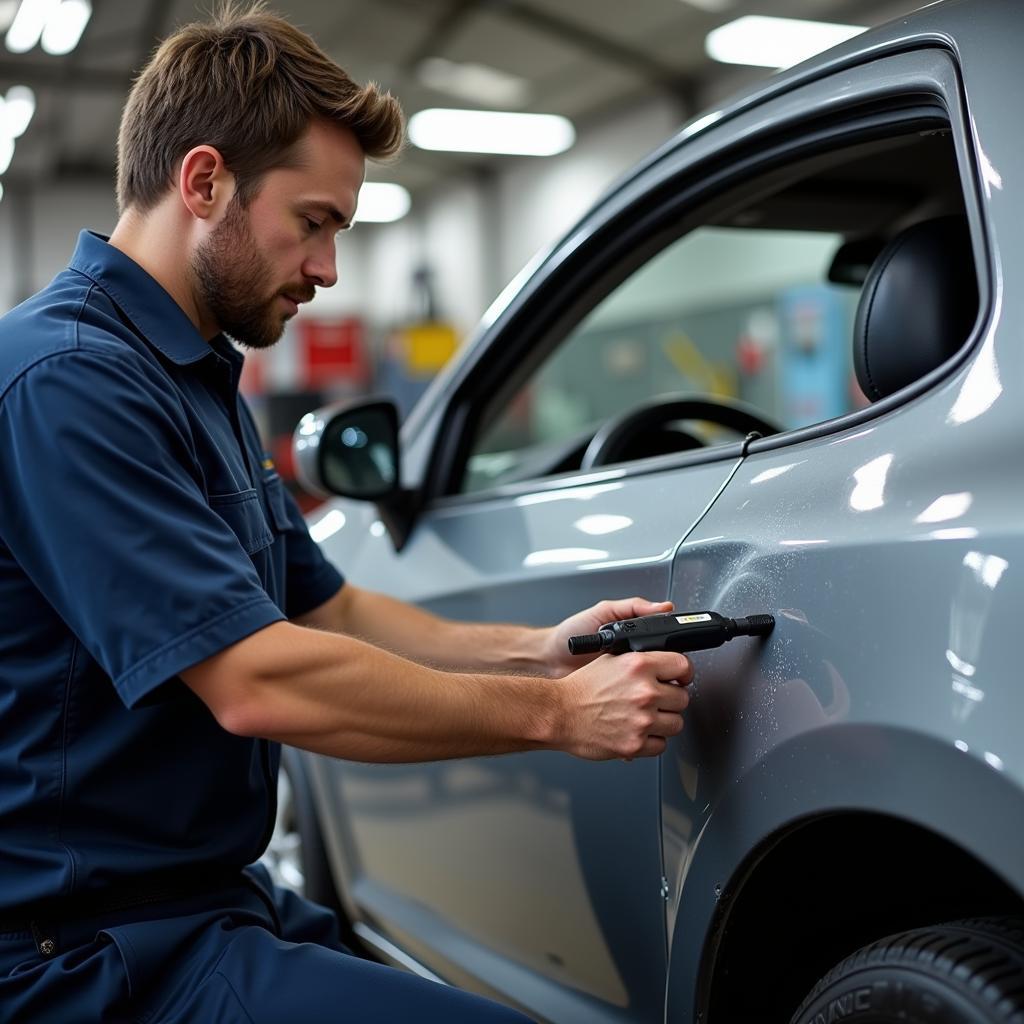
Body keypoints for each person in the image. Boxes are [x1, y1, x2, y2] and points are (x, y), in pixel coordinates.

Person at [0, 6, 693, 1022]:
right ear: (203, 183)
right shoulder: (67, 383)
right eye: (312, 222)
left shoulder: (191, 380)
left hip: (207, 903)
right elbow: (257, 681)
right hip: (84, 955)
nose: (327, 270)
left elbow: (327, 613)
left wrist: (537, 652)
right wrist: (557, 717)